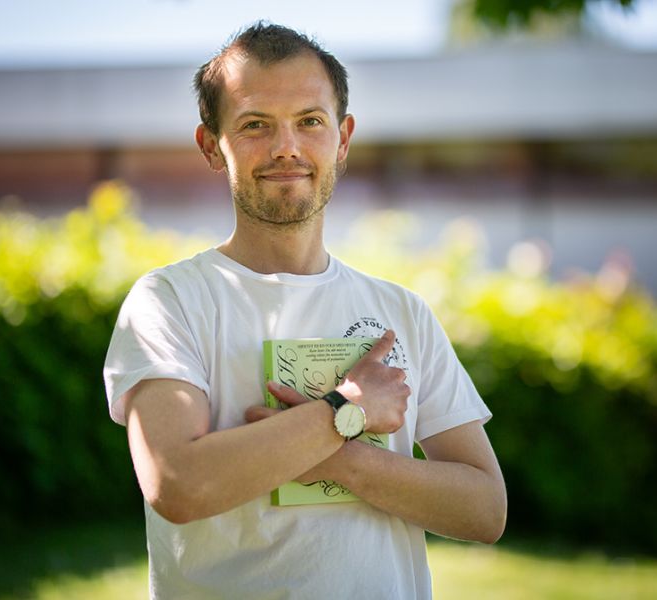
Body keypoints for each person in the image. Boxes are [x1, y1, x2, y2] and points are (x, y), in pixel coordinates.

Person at [103, 22, 506, 599]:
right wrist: (347, 409)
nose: (286, 147)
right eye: (254, 125)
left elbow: (485, 510)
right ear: (210, 146)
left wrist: (332, 451)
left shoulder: (401, 312)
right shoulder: (168, 301)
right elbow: (178, 484)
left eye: (309, 122)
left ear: (342, 139)